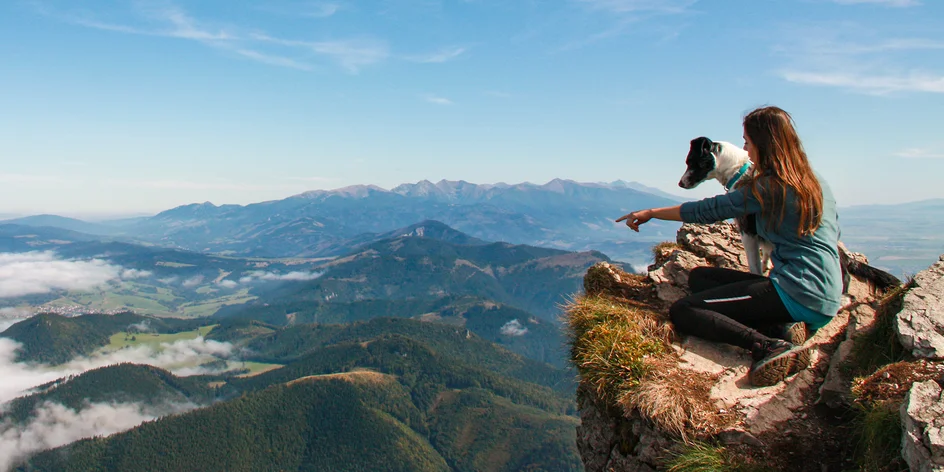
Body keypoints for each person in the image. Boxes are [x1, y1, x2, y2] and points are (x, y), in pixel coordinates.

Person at [616, 106, 842, 387]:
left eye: (747, 141)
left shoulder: (771, 187)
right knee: (700, 278)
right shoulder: (814, 180)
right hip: (826, 289)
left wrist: (651, 212)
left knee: (684, 311)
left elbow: (709, 210)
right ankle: (782, 325)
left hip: (798, 292)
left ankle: (767, 345)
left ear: (763, 144)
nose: (745, 148)